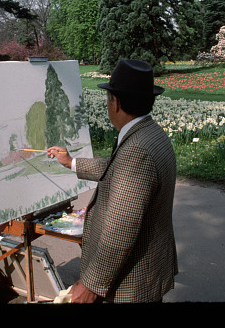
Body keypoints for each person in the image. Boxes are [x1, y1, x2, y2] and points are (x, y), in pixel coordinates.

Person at [47, 58, 178, 303]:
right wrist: (71, 162)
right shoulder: (151, 133)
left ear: (115, 102)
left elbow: (120, 229)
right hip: (147, 272)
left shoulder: (136, 151)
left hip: (131, 283)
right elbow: (119, 168)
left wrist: (90, 285)